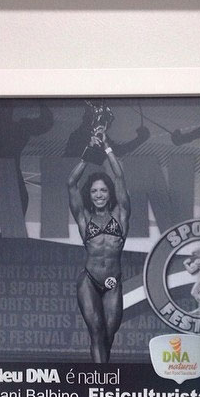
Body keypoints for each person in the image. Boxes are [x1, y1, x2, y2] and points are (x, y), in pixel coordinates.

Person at [67, 134, 130, 363]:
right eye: (94, 191)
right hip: (89, 281)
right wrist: (87, 154)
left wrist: (106, 148)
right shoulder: (84, 219)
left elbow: (120, 176)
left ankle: (101, 377)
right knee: (96, 334)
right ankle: (100, 384)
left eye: (103, 190)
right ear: (89, 195)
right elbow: (71, 183)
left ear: (109, 193)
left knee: (108, 337)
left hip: (113, 282)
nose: (99, 195)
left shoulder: (121, 214)